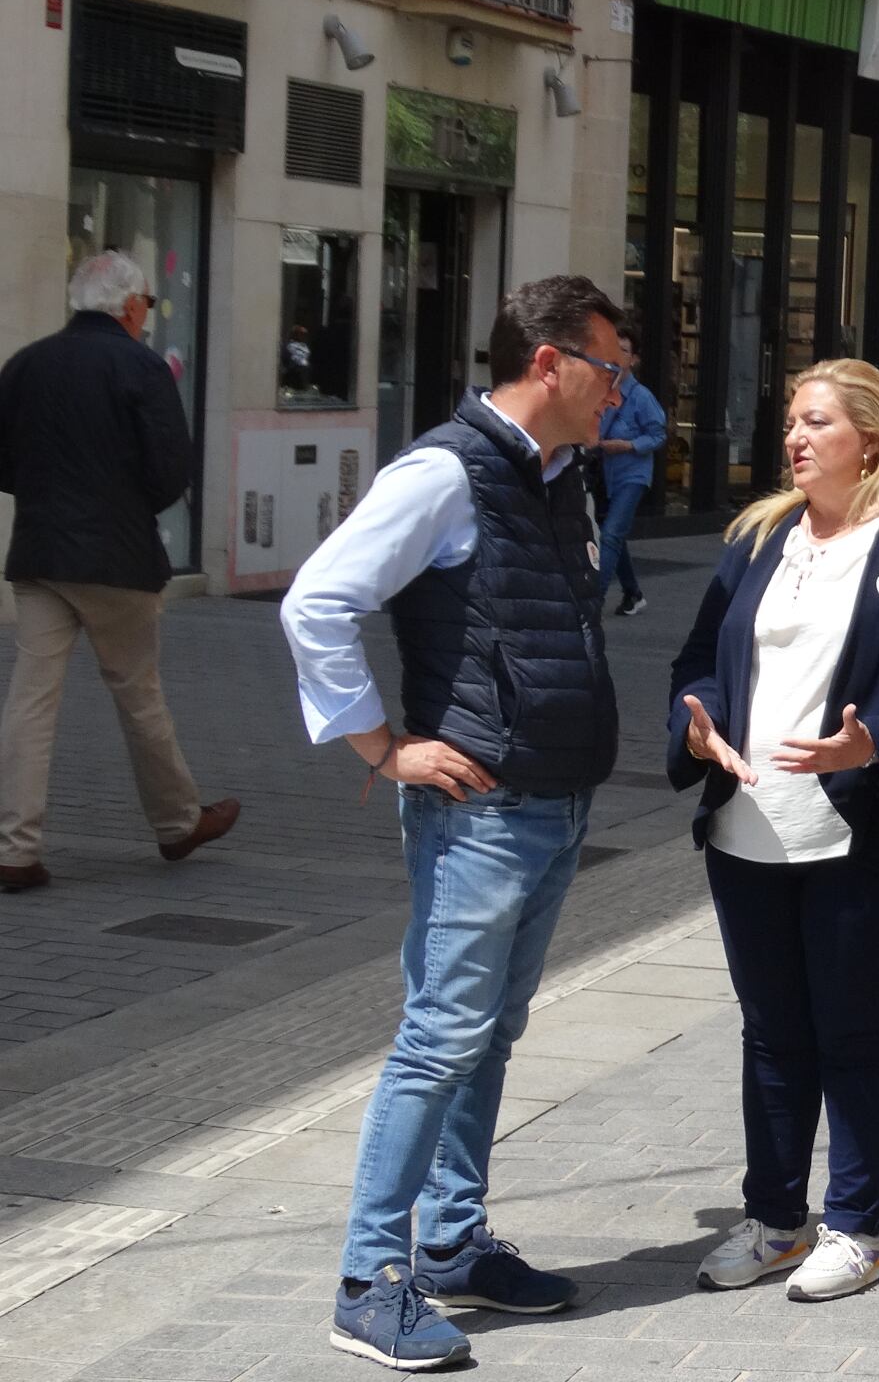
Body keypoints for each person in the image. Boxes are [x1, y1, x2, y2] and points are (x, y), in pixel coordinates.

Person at [279, 276, 628, 1370]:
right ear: (548, 362)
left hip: (550, 799)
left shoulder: (557, 474)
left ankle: (449, 1239)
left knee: (489, 1031)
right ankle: (366, 1278)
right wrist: (383, 747)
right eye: (608, 368)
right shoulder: (443, 471)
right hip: (478, 813)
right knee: (439, 1035)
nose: (620, 391)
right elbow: (316, 601)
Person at [668, 357, 879, 1302]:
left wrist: (873, 743)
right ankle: (774, 1220)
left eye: (817, 424)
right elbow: (700, 661)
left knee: (853, 1030)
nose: (796, 440)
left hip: (869, 834)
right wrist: (698, 715)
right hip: (747, 829)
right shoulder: (758, 537)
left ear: (871, 440)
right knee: (772, 1034)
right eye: (793, 425)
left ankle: (857, 1225)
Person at [0, 250, 240, 895]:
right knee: (138, 694)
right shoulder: (140, 365)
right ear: (130, 306)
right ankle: (176, 822)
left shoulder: (27, 362)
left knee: (30, 701)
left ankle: (14, 849)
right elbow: (170, 471)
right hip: (116, 558)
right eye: (147, 306)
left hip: (41, 552)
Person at [595, 325, 667, 617]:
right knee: (615, 535)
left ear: (633, 359)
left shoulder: (641, 396)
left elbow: (659, 435)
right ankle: (633, 593)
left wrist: (628, 445)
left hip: (632, 475)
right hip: (603, 474)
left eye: (623, 351)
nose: (617, 355)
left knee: (610, 535)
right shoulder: (601, 388)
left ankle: (592, 603)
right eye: (614, 348)